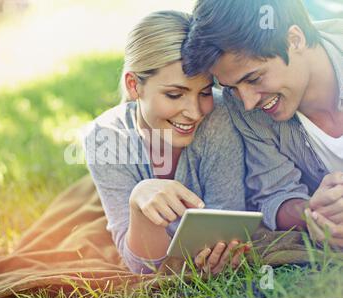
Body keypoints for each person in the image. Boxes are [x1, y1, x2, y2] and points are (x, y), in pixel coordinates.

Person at [83, 11, 249, 275]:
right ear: (134, 85)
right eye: (174, 94)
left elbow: (226, 229)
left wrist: (219, 251)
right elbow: (144, 268)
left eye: (205, 92)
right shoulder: (103, 138)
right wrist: (138, 204)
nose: (195, 113)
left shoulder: (219, 117)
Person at [182, 0, 343, 248]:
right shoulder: (243, 108)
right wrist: (314, 213)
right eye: (232, 87)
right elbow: (275, 195)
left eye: (254, 78)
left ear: (295, 40)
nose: (247, 102)